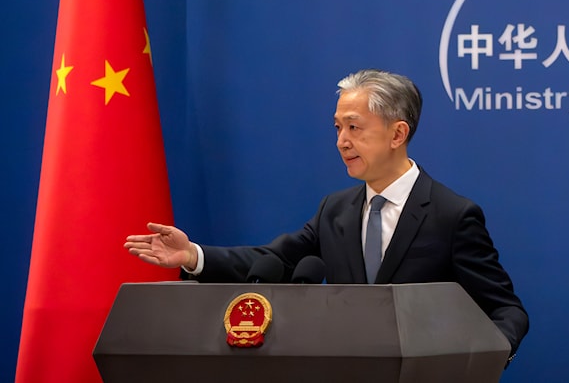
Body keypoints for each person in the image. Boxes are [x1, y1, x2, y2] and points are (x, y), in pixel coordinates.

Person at [125, 69, 528, 362]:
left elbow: (506, 308)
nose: (341, 141)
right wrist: (193, 256)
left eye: (354, 128)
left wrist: (483, 359)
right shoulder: (335, 210)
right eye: (337, 128)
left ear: (397, 134)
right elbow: (275, 261)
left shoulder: (452, 215)